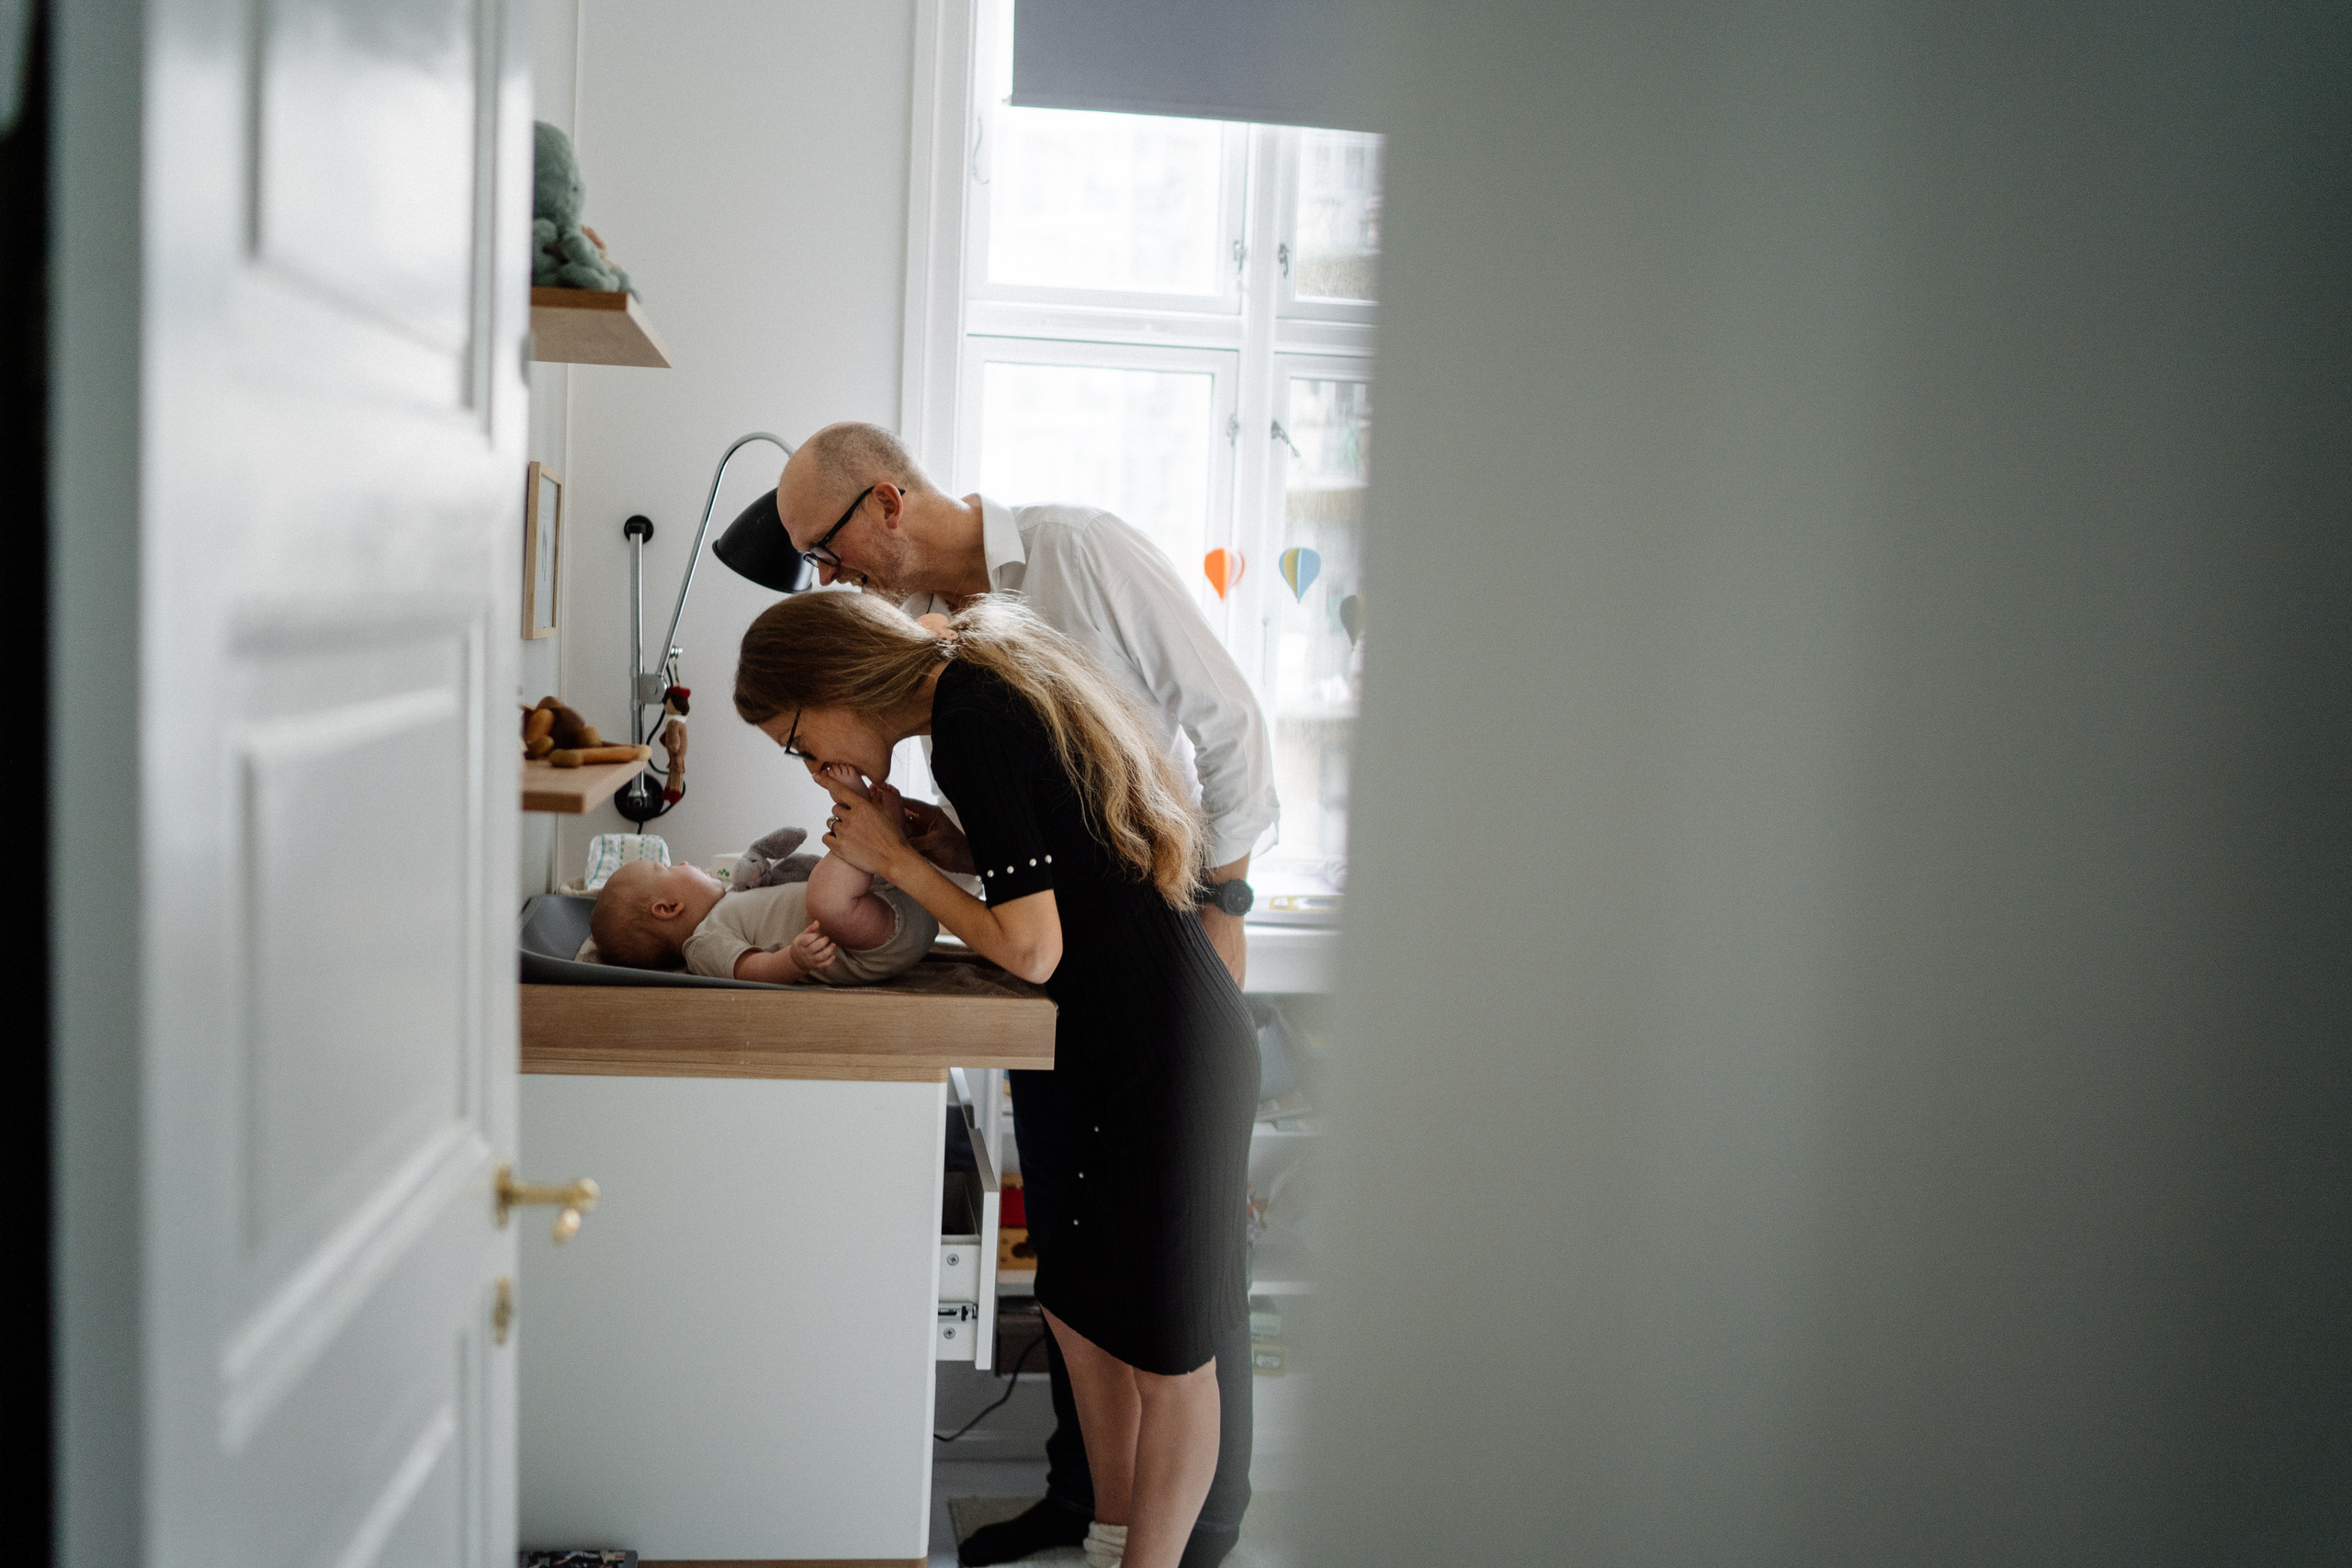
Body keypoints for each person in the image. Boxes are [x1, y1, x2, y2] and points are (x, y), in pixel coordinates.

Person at [772, 423, 1272, 1568]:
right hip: (1099, 1014)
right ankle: (1099, 1526)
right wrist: (929, 839)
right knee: (1086, 1300)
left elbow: (1218, 734)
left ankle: (1170, 1543)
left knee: (1170, 1335)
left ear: (885, 504)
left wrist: (1226, 902)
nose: (826, 573)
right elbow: (1041, 848)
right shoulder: (967, 686)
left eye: (827, 549)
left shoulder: (1056, 588)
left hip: (1153, 997)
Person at [588, 812, 938, 985]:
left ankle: (885, 839)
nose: (682, 862)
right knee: (825, 898)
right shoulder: (702, 942)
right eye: (666, 868)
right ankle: (878, 826)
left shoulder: (730, 899)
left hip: (891, 903)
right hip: (870, 942)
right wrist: (793, 960)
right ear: (668, 909)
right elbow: (749, 972)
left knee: (826, 886)